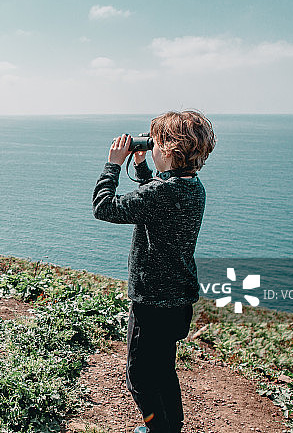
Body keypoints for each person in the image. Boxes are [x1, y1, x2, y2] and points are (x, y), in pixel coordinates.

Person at [92, 110, 215, 433]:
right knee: (163, 371)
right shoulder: (192, 187)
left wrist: (113, 165)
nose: (152, 145)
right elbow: (156, 199)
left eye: (156, 142)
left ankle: (158, 428)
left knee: (140, 378)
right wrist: (143, 166)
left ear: (171, 150)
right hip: (178, 299)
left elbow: (104, 208)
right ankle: (170, 427)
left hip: (151, 301)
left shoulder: (162, 193)